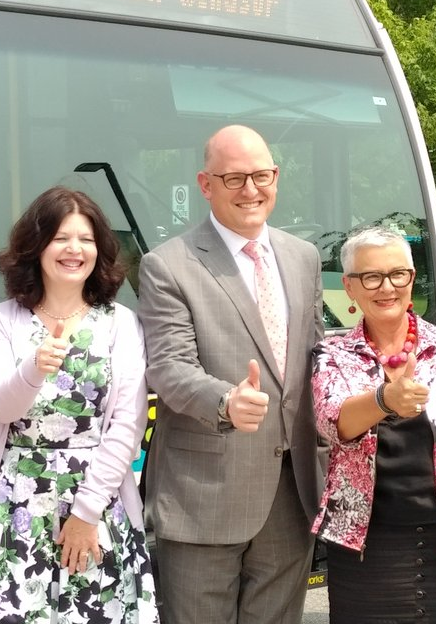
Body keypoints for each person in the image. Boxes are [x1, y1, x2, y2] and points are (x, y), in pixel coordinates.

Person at [137, 124, 325, 623]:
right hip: (205, 491)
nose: (251, 190)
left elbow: (316, 355)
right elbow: (169, 368)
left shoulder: (303, 257)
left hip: (291, 490)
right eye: (234, 178)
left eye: (260, 175)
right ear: (205, 184)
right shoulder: (168, 266)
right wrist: (225, 402)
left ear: (276, 176)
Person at [0, 186, 157, 623]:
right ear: (36, 246)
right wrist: (34, 369)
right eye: (61, 237)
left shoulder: (121, 323)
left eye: (86, 239)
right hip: (13, 507)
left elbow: (127, 426)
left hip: (98, 502)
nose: (74, 249)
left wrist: (85, 514)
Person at [311, 226, 436, 622]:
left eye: (397, 274)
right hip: (363, 552)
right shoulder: (332, 354)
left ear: (412, 279)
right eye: (371, 277)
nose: (386, 287)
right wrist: (385, 400)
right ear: (349, 287)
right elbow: (333, 422)